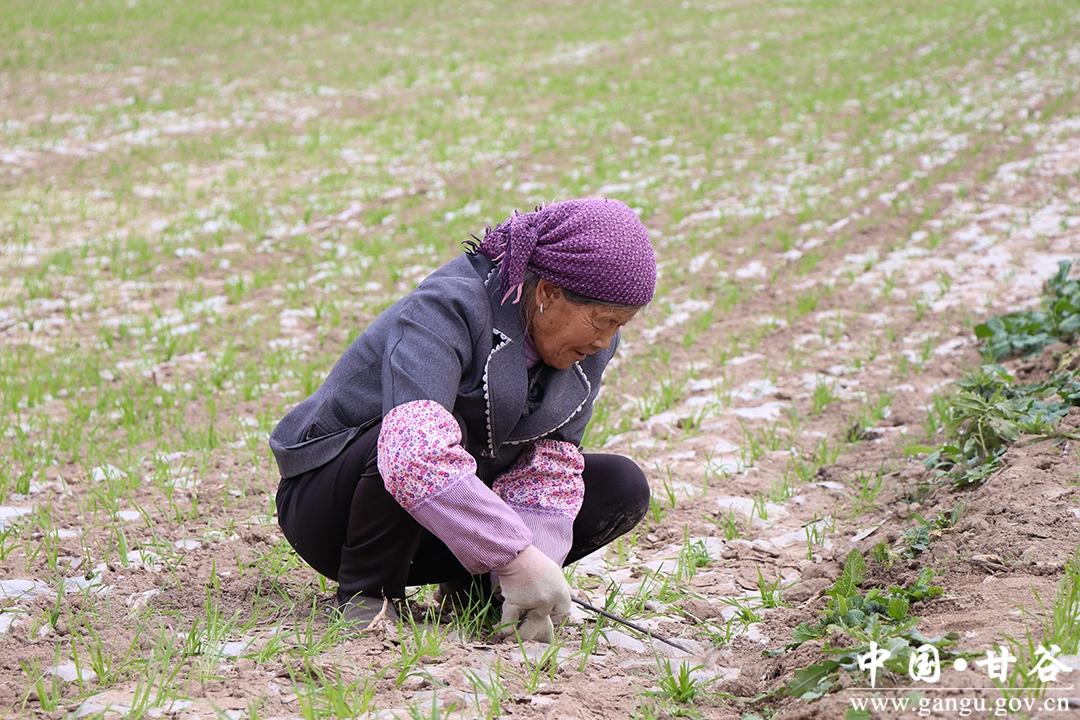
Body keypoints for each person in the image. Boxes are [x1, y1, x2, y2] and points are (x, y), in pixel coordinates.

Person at [269, 197, 656, 641]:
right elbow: (413, 453)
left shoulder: (589, 346)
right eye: (601, 320)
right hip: (338, 506)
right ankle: (368, 594)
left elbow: (549, 464)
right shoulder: (448, 305)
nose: (606, 340)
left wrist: (534, 560)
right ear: (548, 292)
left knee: (619, 484)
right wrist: (513, 553)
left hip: (438, 518)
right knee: (423, 429)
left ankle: (486, 594)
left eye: (619, 325)